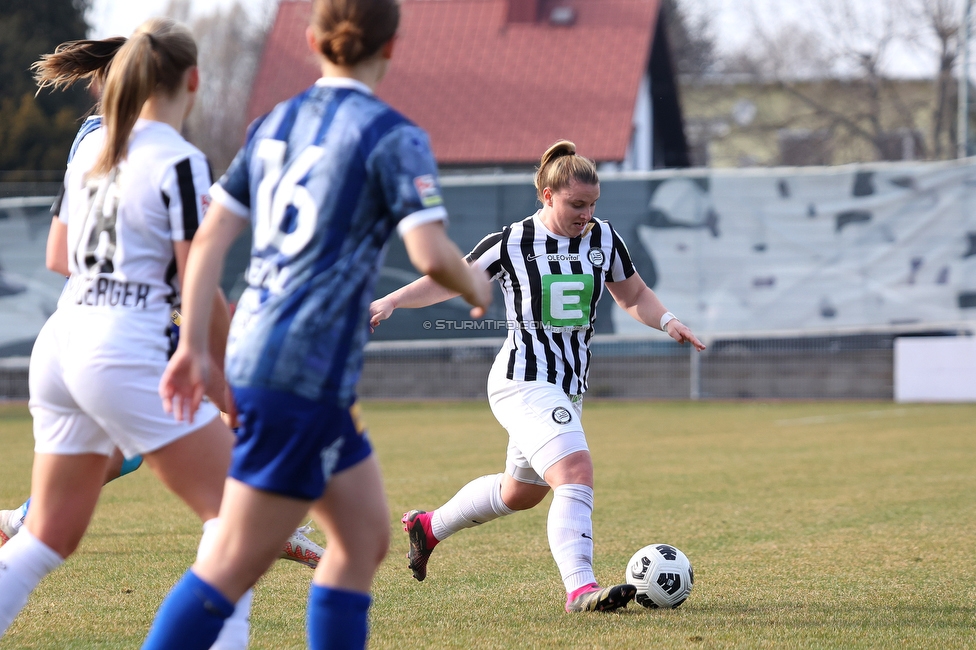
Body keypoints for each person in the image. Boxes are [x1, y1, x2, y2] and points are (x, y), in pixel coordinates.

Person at [141, 0, 491, 647]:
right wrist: (477, 284)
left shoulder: (275, 122)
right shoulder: (392, 134)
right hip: (300, 370)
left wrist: (195, 343)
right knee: (232, 565)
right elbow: (432, 255)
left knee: (362, 537)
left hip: (266, 353)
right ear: (391, 47)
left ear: (310, 41)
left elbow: (209, 239)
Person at [0, 31, 324, 571]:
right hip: (125, 333)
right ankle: (281, 524)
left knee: (87, 487)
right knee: (236, 502)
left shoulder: (91, 138)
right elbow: (194, 272)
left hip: (68, 331)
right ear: (189, 81)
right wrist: (180, 318)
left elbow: (62, 254)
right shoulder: (172, 154)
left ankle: (21, 519)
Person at [369, 140, 707, 613]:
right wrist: (393, 300)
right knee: (576, 471)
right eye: (576, 204)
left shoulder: (605, 238)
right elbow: (452, 277)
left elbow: (633, 295)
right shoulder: (511, 241)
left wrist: (667, 319)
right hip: (522, 381)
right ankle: (581, 589)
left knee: (521, 493)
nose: (585, 215)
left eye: (592, 205)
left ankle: (428, 527)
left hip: (567, 387)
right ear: (547, 196)